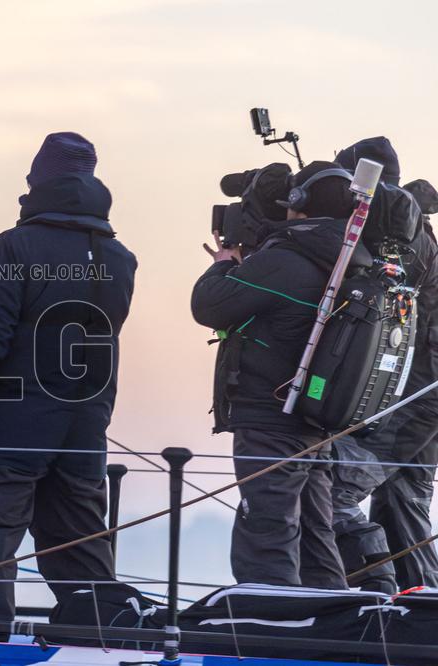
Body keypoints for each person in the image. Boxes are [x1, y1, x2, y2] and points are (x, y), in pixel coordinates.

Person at [0, 132, 137, 639]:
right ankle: (93, 638)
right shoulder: (121, 257)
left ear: (39, 181)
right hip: (87, 422)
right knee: (78, 537)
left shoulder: (15, 246)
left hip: (16, 421)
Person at [191, 160, 361, 589]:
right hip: (316, 417)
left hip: (271, 416)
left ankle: (273, 626)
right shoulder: (348, 258)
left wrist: (225, 263)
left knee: (267, 531)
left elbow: (209, 305)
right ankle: (328, 631)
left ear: (299, 203)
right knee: (315, 533)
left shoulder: (285, 261)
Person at [329, 137, 438, 592]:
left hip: (407, 394)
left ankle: (377, 584)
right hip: (424, 395)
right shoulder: (414, 225)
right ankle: (420, 605)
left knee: (334, 492)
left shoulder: (394, 228)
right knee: (403, 501)